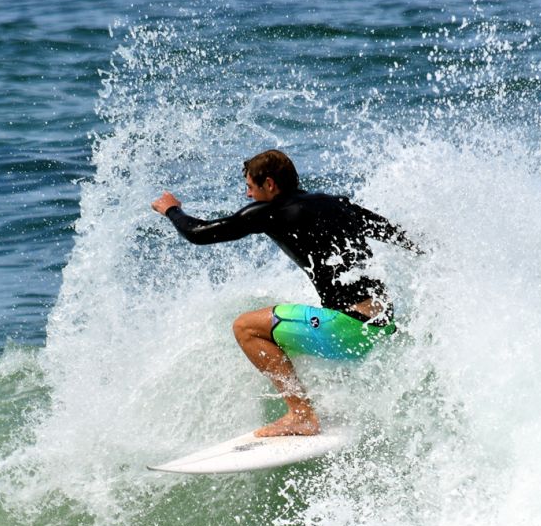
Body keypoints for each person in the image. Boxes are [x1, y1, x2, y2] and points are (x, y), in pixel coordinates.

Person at [151, 149, 422, 437]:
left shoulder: (272, 212)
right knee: (287, 331)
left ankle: (301, 415)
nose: (247, 195)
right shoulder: (336, 204)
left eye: (250, 187)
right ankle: (325, 401)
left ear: (269, 184)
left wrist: (171, 209)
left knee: (246, 327)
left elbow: (199, 233)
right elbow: (394, 233)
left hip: (348, 330)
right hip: (382, 327)